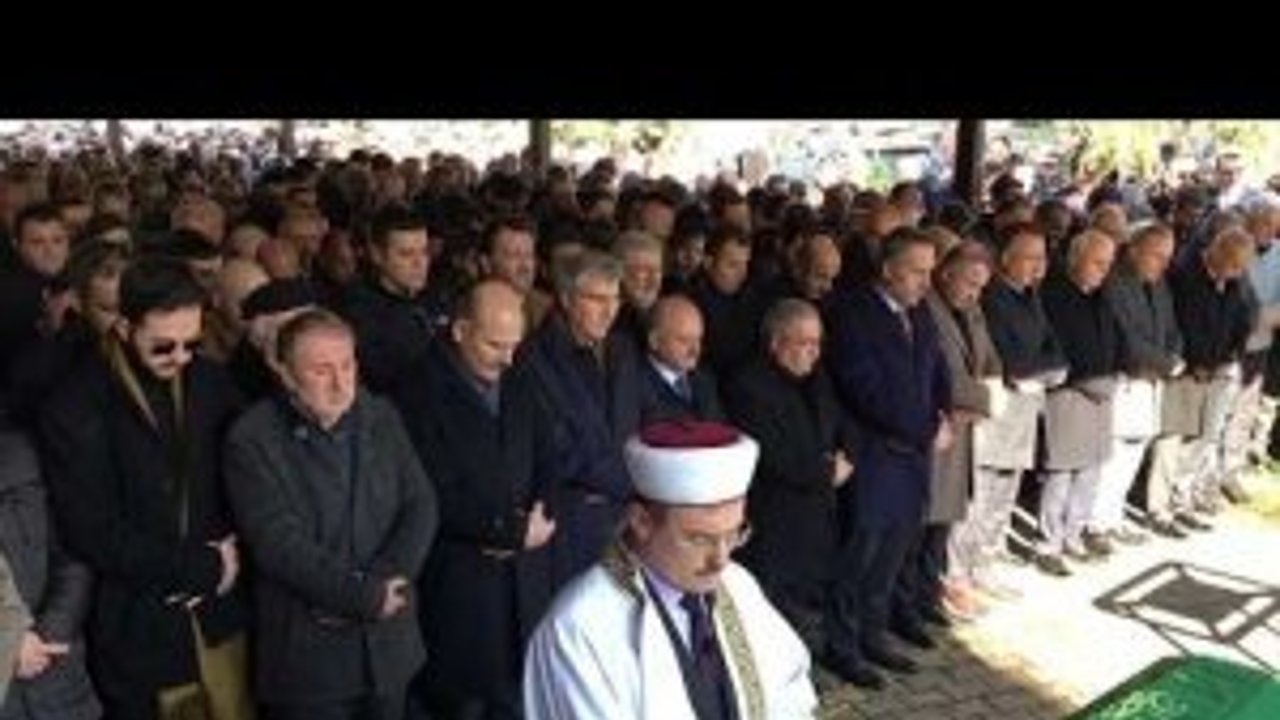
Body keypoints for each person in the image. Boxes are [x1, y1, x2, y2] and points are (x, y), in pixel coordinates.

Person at [224, 309, 439, 720]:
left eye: (347, 365)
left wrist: (386, 580)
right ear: (286, 374)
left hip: (388, 643)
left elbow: (421, 504)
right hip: (309, 663)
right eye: (322, 371)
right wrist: (361, 594)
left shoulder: (380, 415)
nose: (341, 384)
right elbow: (277, 544)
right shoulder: (252, 438)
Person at [523, 420, 817, 719]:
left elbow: (790, 688)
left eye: (733, 535)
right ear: (641, 522)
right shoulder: (579, 628)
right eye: (699, 539)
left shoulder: (737, 584)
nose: (720, 559)